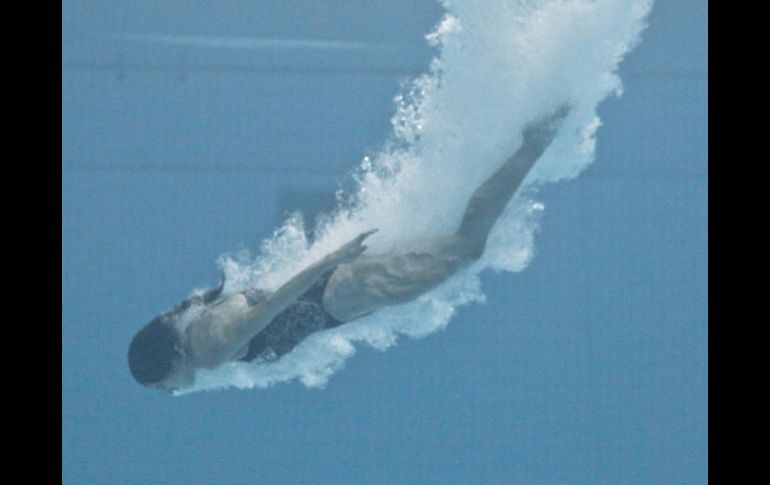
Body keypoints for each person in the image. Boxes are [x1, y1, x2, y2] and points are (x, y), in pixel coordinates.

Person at [128, 105, 571, 393]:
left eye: (160, 386)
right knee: (454, 245)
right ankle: (524, 141)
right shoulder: (199, 326)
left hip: (339, 292)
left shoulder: (208, 352)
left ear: (166, 363)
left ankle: (533, 142)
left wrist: (328, 260)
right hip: (339, 299)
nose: (170, 392)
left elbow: (264, 313)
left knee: (466, 249)